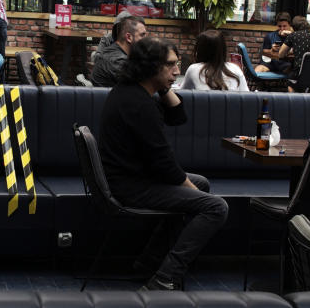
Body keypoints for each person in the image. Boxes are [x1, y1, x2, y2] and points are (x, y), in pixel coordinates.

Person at [98, 37, 228, 291]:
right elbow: (164, 164)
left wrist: (164, 86)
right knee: (216, 208)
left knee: (201, 184)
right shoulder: (138, 104)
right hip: (130, 186)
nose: (177, 71)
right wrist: (190, 189)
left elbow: (178, 117)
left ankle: (149, 262)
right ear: (149, 67)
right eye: (170, 66)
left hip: (129, 178)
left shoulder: (134, 92)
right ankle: (165, 277)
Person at [180, 29, 248, 91]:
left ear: (200, 49)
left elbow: (182, 93)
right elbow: (247, 97)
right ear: (223, 49)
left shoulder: (194, 69)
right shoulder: (235, 69)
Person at [91, 15, 147, 87]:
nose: (146, 40)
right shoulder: (117, 61)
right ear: (129, 37)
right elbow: (144, 88)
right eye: (142, 35)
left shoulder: (118, 53)